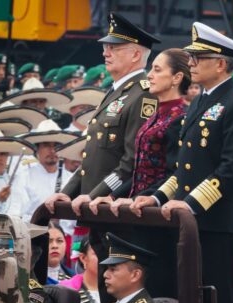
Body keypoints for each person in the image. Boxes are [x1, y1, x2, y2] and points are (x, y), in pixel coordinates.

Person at [129, 22, 233, 303]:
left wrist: (192, 204)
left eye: (199, 57)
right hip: (189, 219)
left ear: (220, 63)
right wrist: (157, 196)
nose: (192, 64)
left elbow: (229, 170)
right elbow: (184, 169)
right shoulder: (200, 101)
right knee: (186, 298)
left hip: (215, 221)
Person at [45, 11, 160, 215]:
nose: (105, 53)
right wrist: (67, 192)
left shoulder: (143, 94)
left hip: (116, 208)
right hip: (96, 206)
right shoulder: (118, 91)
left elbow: (132, 161)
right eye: (106, 47)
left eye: (114, 48)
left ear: (135, 54)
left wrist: (96, 195)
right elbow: (94, 157)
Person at [88, 48, 189, 209]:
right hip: (139, 207)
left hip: (158, 210)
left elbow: (174, 175)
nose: (149, 75)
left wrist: (144, 198)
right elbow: (139, 172)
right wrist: (113, 196)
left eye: (157, 70)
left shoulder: (181, 117)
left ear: (176, 78)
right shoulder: (157, 115)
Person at [20, 120, 77, 220]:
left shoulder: (70, 178)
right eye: (46, 145)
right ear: (37, 149)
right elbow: (20, 212)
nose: (52, 150)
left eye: (56, 145)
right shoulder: (24, 177)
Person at [59, 237, 102, 303]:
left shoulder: (118, 288)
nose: (103, 258)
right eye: (97, 253)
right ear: (83, 258)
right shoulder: (67, 287)